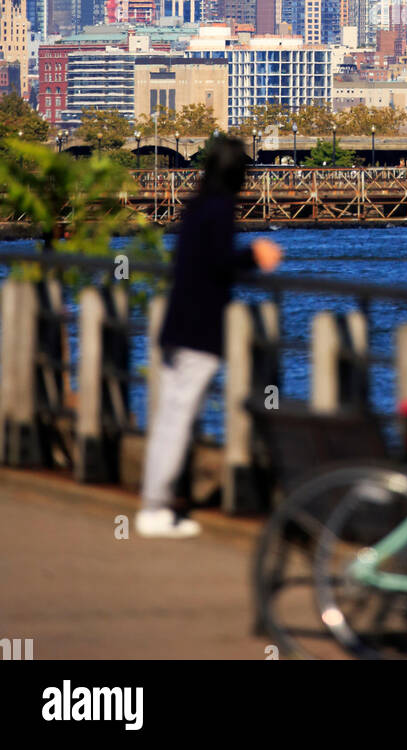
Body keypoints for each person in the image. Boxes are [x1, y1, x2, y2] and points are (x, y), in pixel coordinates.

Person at [136, 135, 282, 538]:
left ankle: (155, 503)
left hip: (175, 325)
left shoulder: (196, 206)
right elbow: (219, 263)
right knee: (179, 418)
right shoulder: (219, 210)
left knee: (170, 416)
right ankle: (154, 509)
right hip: (200, 331)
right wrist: (255, 255)